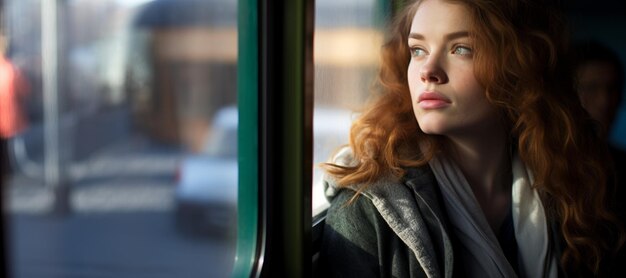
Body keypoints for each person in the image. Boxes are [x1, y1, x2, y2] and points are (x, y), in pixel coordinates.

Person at [319, 0, 624, 277]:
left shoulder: (570, 184)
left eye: (461, 49)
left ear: (516, 66)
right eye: (418, 50)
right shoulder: (369, 207)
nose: (429, 71)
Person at [0, 34, 29, 179]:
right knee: (14, 148)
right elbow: (24, 90)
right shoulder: (11, 70)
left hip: (5, 117)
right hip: (11, 116)